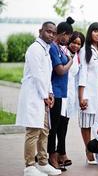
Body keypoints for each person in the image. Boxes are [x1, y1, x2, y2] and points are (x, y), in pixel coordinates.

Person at [16, 21, 61, 176]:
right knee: (33, 131)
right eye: (48, 31)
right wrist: (45, 96)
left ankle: (43, 163)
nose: (51, 35)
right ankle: (29, 166)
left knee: (44, 131)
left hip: (42, 96)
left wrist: (50, 93)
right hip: (34, 96)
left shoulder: (46, 50)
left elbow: (46, 76)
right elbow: (36, 76)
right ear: (40, 31)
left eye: (54, 33)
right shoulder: (35, 49)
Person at [78, 22, 98, 164]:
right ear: (90, 32)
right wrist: (82, 96)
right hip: (88, 93)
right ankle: (88, 150)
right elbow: (83, 73)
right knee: (86, 124)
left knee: (97, 123)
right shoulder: (85, 50)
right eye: (95, 31)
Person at [47, 17, 74, 170]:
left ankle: (54, 154)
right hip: (55, 92)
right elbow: (60, 70)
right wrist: (70, 60)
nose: (68, 40)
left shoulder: (58, 48)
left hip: (61, 93)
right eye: (68, 37)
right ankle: (52, 157)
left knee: (57, 126)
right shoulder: (52, 48)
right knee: (53, 127)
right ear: (63, 33)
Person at [57, 31, 85, 170]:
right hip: (60, 93)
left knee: (64, 125)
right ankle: (61, 153)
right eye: (74, 42)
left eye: (79, 43)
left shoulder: (79, 56)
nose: (75, 45)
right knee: (58, 126)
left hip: (70, 95)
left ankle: (59, 152)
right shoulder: (62, 52)